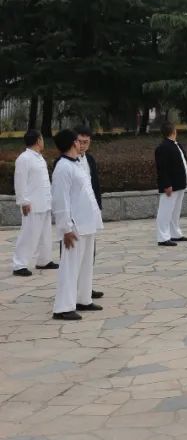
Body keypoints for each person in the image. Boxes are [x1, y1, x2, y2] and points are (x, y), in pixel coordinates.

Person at [51, 129, 103, 320]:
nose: (80, 143)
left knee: (86, 264)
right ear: (73, 143)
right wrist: (66, 228)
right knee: (70, 266)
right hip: (75, 226)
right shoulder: (63, 167)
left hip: (87, 222)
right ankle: (63, 307)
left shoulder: (77, 163)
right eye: (77, 140)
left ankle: (83, 298)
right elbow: (60, 200)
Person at [12, 129, 57, 276]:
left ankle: (44, 260)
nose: (43, 141)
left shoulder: (39, 158)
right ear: (38, 140)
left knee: (45, 234)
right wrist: (23, 202)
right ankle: (19, 264)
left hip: (44, 202)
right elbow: (20, 182)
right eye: (42, 138)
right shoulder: (24, 158)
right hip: (32, 203)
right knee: (28, 234)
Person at [74, 126, 104, 300]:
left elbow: (95, 185)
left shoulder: (90, 159)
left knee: (89, 253)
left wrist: (98, 207)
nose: (83, 145)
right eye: (80, 141)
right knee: (75, 255)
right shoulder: (67, 161)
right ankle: (73, 290)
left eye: (86, 142)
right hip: (76, 215)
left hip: (90, 212)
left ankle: (86, 288)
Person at [154, 122, 187, 247]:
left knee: (175, 211)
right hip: (171, 185)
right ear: (173, 131)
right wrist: (166, 184)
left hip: (179, 183)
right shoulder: (163, 147)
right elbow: (162, 168)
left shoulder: (176, 145)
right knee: (165, 211)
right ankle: (162, 237)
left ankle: (175, 233)